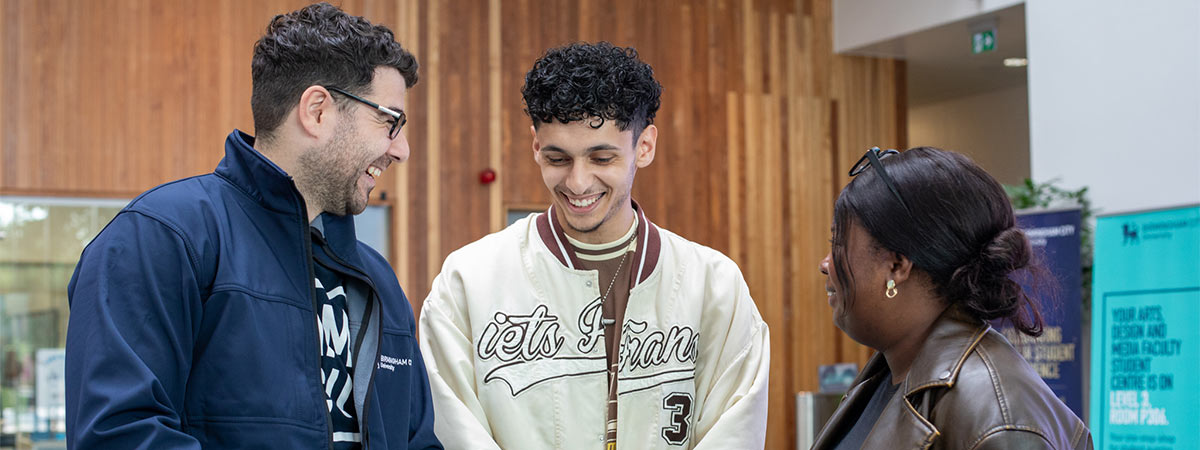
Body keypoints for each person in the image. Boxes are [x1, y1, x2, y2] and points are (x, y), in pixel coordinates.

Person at [64, 3, 441, 449]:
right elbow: (119, 436)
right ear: (317, 110)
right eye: (390, 122)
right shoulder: (162, 238)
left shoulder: (378, 281)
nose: (402, 150)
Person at [418, 42, 770, 449]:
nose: (578, 182)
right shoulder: (469, 282)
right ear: (535, 146)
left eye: (602, 159)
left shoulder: (714, 286)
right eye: (558, 159)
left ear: (645, 146)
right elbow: (451, 428)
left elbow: (734, 432)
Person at [811, 147, 1092, 449]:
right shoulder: (888, 374)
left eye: (837, 243)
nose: (825, 264)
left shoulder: (1000, 419)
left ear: (896, 265)